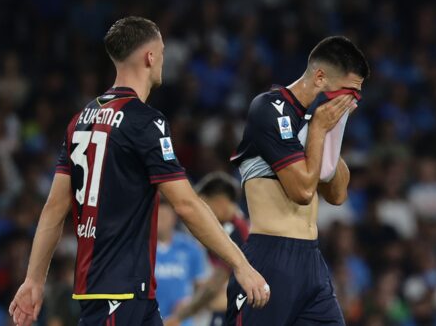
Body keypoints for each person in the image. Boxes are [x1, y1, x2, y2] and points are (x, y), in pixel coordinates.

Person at [8, 16, 269, 326]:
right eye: (162, 51)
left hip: (129, 295)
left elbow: (54, 208)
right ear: (150, 56)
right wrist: (240, 263)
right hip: (119, 296)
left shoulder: (81, 119)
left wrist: (34, 281)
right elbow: (185, 203)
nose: (163, 58)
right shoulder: (145, 121)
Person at [228, 36, 369, 325]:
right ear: (320, 77)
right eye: (348, 92)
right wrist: (318, 128)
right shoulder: (268, 108)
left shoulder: (315, 122)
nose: (350, 102)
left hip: (311, 261)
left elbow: (337, 194)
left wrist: (334, 130)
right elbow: (303, 191)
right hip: (271, 257)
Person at [165, 172, 249, 326]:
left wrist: (182, 315)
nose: (201, 215)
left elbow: (215, 285)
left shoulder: (235, 231)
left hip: (232, 314)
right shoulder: (234, 227)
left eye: (205, 205)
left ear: (221, 202)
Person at [155, 198, 208, 326]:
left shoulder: (191, 248)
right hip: (150, 320)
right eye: (158, 216)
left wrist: (190, 304)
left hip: (181, 322)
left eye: (165, 216)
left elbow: (202, 288)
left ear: (174, 218)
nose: (161, 221)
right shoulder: (141, 249)